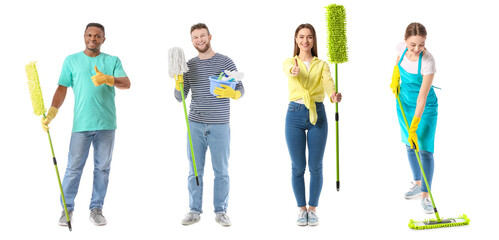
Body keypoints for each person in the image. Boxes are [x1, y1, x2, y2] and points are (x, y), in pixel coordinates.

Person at [42, 23, 131, 226]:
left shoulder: (112, 60)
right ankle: (67, 210)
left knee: (102, 169)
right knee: (73, 168)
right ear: (84, 37)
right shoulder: (71, 61)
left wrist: (108, 78)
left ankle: (96, 209)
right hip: (81, 125)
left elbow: (126, 83)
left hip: (107, 124)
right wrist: (52, 113)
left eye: (97, 36)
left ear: (103, 39)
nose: (93, 39)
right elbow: (62, 88)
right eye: (89, 35)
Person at [175, 23, 244, 227]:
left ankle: (221, 211)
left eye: (202, 36)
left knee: (221, 170)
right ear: (192, 41)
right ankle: (194, 210)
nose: (200, 40)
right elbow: (180, 97)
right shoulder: (188, 65)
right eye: (195, 37)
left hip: (220, 124)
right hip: (195, 124)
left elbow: (241, 88)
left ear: (210, 36)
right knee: (195, 169)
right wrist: (177, 81)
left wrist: (233, 93)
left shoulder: (225, 61)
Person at [283, 23, 342, 226]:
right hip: (294, 114)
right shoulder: (290, 61)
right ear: (296, 40)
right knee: (298, 166)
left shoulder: (322, 64)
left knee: (316, 166)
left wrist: (333, 96)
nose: (305, 41)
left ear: (314, 40)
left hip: (318, 114)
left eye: (309, 37)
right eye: (301, 37)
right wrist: (294, 70)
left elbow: (328, 83)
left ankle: (313, 209)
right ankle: (301, 209)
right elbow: (288, 70)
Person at [390, 22, 438, 214]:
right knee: (409, 143)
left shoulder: (428, 61)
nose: (417, 49)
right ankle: (417, 183)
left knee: (425, 149)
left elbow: (422, 97)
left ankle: (426, 195)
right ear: (405, 41)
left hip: (424, 108)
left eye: (421, 44)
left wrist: (415, 124)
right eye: (413, 45)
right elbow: (397, 64)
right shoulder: (401, 49)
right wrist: (395, 78)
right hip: (404, 102)